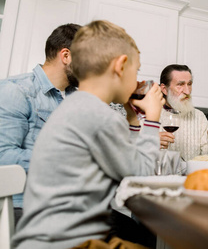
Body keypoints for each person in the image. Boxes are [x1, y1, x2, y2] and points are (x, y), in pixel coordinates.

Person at [12, 20, 165, 249]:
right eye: (137, 70)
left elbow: (124, 161)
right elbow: (140, 173)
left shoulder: (76, 106)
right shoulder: (99, 115)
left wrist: (133, 119)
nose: (137, 81)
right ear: (120, 66)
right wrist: (152, 119)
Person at [0, 23, 81, 222]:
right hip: (23, 206)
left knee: (137, 231)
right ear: (66, 56)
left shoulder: (76, 98)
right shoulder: (16, 90)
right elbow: (3, 156)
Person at [158, 64, 208, 161]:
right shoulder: (149, 116)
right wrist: (150, 143)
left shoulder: (199, 116)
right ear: (164, 89)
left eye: (189, 84)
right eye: (180, 85)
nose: (187, 91)